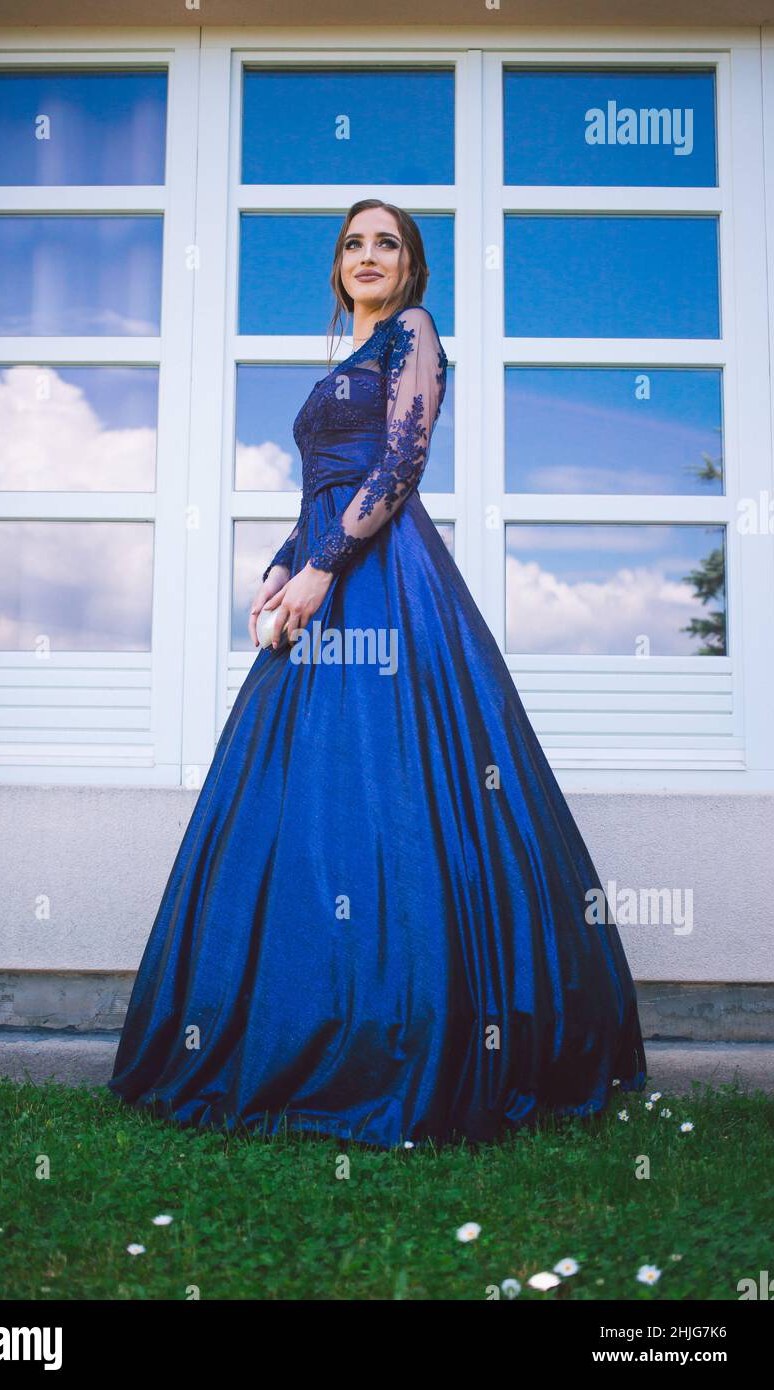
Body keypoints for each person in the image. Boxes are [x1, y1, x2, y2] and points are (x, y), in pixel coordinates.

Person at [107, 198, 647, 1148]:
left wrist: (322, 567)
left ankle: (422, 1039)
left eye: (386, 244)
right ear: (336, 266)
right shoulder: (341, 363)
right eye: (353, 243)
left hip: (387, 581)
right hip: (325, 578)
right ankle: (293, 1029)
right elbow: (322, 490)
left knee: (403, 792)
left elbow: (400, 463)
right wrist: (283, 563)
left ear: (412, 268)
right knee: (306, 806)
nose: (368, 256)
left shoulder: (414, 334)